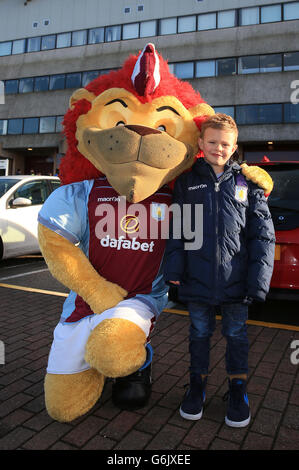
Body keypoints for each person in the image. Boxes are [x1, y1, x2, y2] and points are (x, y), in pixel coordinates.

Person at [164, 113, 275, 427]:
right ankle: (196, 385)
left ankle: (237, 389)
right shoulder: (187, 181)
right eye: (211, 142)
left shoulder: (248, 183)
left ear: (235, 146)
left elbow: (263, 235)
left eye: (225, 143)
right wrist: (175, 267)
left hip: (236, 283)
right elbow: (179, 230)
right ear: (201, 143)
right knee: (199, 334)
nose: (218, 148)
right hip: (196, 280)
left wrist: (258, 281)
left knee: (236, 335)